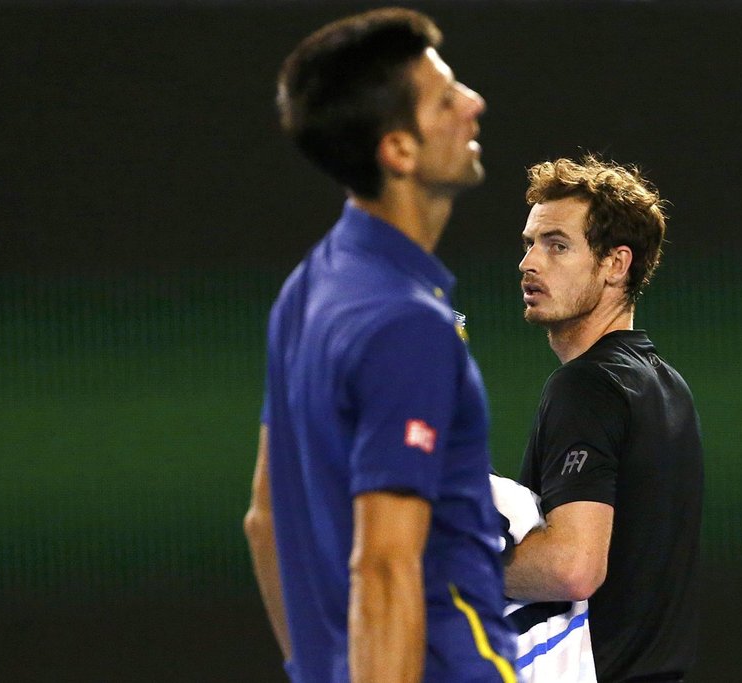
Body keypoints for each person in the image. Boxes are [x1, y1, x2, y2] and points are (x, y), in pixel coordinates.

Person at [242, 8, 516, 682]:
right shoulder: (407, 326)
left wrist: (317, 668)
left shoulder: (307, 289)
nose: (474, 105)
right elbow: (387, 563)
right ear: (399, 151)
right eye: (447, 98)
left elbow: (265, 520)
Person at [504, 156, 705, 682]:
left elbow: (573, 566)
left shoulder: (586, 386)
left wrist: (444, 569)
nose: (529, 262)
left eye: (557, 245)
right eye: (530, 242)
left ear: (616, 264)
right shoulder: (668, 386)